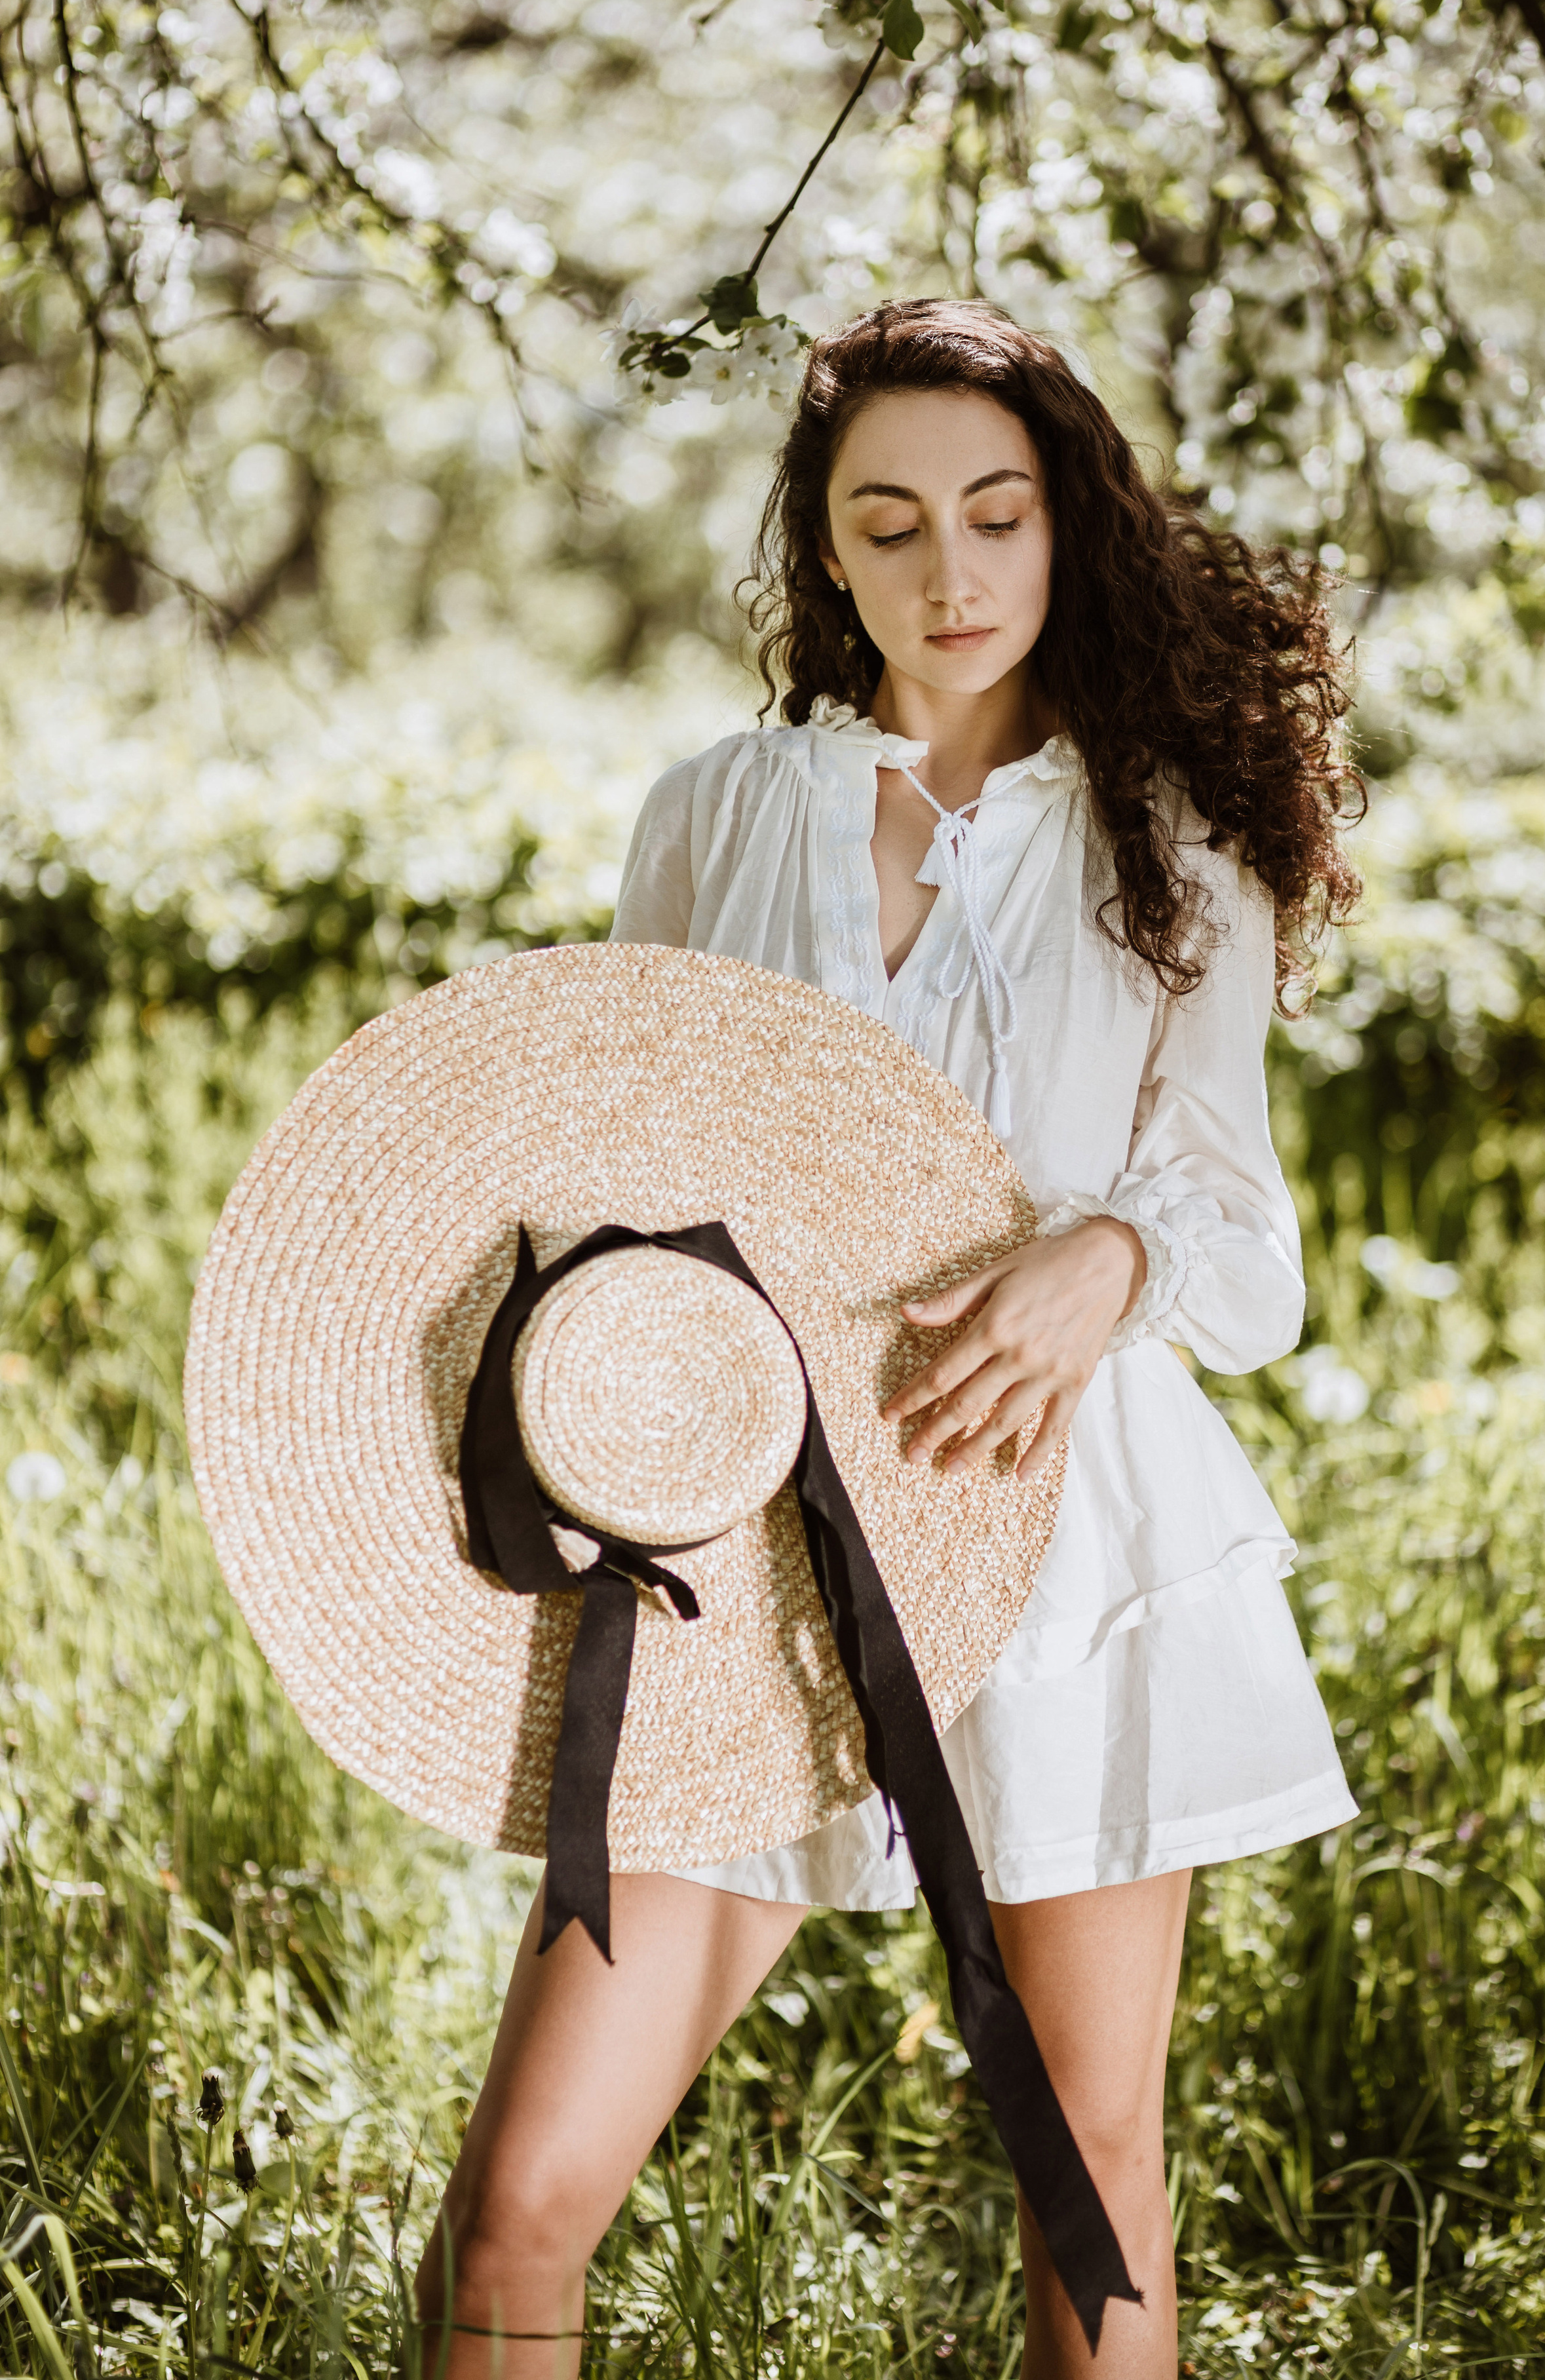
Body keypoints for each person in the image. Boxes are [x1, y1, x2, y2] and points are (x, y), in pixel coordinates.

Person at [415, 298, 1362, 2378]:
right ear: (824, 550)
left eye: (999, 516)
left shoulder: (1172, 840)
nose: (952, 573)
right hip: (735, 1543)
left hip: (1058, 1529)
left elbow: (1244, 1244)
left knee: (1090, 2178)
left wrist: (1104, 1257)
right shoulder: (715, 812)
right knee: (518, 2213)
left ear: (1066, 535)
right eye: (894, 520)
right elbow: (607, 1161)